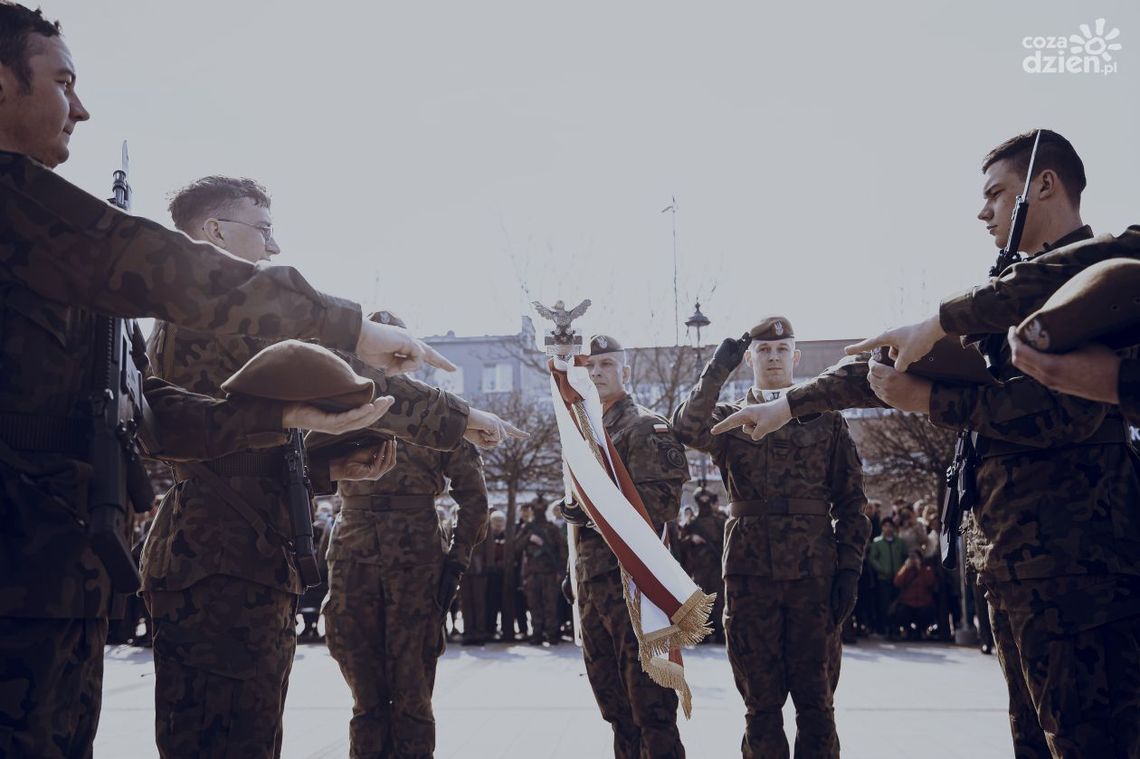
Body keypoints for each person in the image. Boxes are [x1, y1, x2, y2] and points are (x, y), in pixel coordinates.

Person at [0, 6, 461, 755]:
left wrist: (283, 421)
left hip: (51, 588)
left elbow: (143, 411)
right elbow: (146, 258)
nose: (80, 108)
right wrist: (350, 329)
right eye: (62, 82)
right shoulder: (21, 209)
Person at [722, 131, 1140, 757]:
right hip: (1021, 571)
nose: (983, 212)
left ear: (1044, 186)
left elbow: (1062, 416)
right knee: (1037, 741)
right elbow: (892, 359)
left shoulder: (1100, 278)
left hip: (1083, 570)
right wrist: (788, 406)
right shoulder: (1001, 296)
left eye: (997, 194)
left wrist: (931, 397)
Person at [141, 185, 483, 757]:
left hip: (241, 547)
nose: (274, 245)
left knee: (249, 732)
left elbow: (245, 435)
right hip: (220, 556)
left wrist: (326, 466)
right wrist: (464, 416)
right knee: (224, 736)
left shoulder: (208, 313)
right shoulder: (213, 315)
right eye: (263, 228)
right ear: (216, 232)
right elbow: (340, 375)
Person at [673, 317, 870, 758]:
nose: (774, 358)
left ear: (795, 357)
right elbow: (687, 428)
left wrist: (850, 568)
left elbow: (853, 502)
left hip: (814, 578)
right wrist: (715, 370)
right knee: (760, 707)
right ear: (750, 359)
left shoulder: (825, 419)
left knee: (817, 707)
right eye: (764, 351)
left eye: (782, 350)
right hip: (750, 578)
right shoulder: (730, 420)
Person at [321, 310, 490, 759]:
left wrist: (455, 563)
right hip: (352, 553)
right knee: (364, 696)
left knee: (413, 694)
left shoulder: (433, 414)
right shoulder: (337, 410)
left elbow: (474, 499)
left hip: (416, 559)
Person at [565, 334, 690, 758]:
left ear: (626, 371)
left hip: (635, 588)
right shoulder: (585, 431)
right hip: (594, 583)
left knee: (650, 707)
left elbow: (660, 505)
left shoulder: (643, 427)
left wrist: (592, 510)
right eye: (591, 366)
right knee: (615, 706)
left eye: (606, 365)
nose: (597, 372)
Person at [679, 487, 726, 644]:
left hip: (717, 566)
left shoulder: (720, 522)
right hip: (699, 567)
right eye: (702, 500)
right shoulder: (692, 524)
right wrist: (691, 538)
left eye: (707, 500)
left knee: (719, 599)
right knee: (701, 599)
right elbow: (681, 545)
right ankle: (703, 633)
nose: (705, 504)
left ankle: (720, 632)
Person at [515, 498, 565, 645]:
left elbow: (562, 549)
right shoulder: (528, 528)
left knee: (550, 604)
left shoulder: (552, 528)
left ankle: (552, 633)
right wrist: (529, 537)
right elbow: (517, 546)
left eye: (541, 509)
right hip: (532, 573)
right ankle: (537, 633)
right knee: (534, 604)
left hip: (549, 572)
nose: (538, 512)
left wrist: (560, 570)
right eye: (536, 510)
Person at [867, 519, 907, 637]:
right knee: (884, 603)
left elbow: (905, 556)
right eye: (885, 526)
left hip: (898, 578)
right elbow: (873, 558)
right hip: (883, 578)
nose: (888, 528)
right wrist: (882, 569)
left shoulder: (900, 542)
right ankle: (884, 627)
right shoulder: (877, 542)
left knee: (897, 603)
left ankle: (895, 627)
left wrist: (901, 570)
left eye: (890, 526)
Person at [891, 549, 938, 640]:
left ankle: (922, 630)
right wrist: (906, 568)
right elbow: (897, 582)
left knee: (927, 612)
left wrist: (919, 568)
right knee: (902, 611)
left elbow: (930, 582)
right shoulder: (905, 569)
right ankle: (907, 631)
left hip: (923, 603)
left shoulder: (926, 569)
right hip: (908, 603)